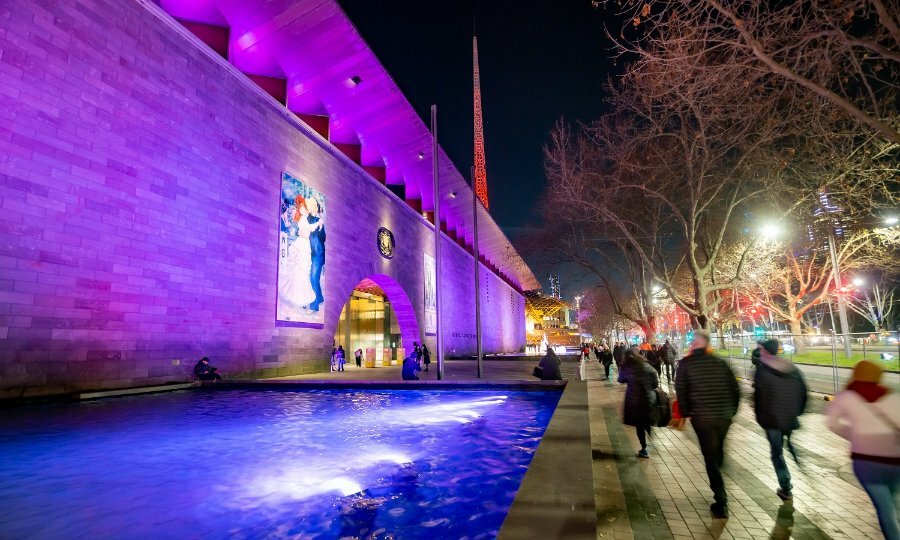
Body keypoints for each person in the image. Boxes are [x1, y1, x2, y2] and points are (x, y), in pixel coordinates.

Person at [827, 360, 900, 540]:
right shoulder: (892, 396)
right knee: (894, 502)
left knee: (884, 508)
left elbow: (832, 423)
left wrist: (855, 435)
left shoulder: (846, 397)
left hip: (865, 461)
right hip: (895, 460)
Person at [675, 329, 740, 519]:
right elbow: (735, 388)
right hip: (724, 416)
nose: (690, 344)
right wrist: (732, 410)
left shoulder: (686, 364)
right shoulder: (720, 362)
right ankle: (719, 460)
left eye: (692, 341)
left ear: (695, 344)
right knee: (716, 449)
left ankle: (721, 500)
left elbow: (681, 390)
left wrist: (687, 412)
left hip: (702, 417)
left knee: (710, 456)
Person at [753, 339, 807, 502]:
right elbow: (803, 393)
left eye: (761, 350)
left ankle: (786, 485)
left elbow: (758, 399)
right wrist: (797, 412)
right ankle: (787, 482)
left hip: (771, 420)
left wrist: (760, 417)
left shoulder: (762, 372)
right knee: (782, 449)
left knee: (777, 453)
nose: (759, 352)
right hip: (789, 417)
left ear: (767, 351)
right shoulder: (793, 369)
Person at [619, 349, 659, 458]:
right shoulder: (646, 364)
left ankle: (644, 449)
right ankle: (649, 430)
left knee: (639, 425)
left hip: (635, 401)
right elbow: (655, 383)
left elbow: (621, 379)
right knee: (645, 418)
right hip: (649, 399)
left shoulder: (627, 367)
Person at [305, 197, 326, 315]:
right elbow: (323, 237)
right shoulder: (314, 219)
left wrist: (320, 226)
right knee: (312, 277)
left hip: (318, 253)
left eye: (308, 207)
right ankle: (320, 297)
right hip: (315, 252)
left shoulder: (314, 219)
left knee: (313, 278)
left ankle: (315, 305)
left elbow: (323, 237)